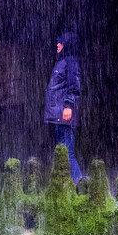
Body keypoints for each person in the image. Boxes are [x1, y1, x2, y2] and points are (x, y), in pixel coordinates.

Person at [44, 31, 83, 182]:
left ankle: (80, 185)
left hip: (63, 113)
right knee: (62, 151)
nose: (57, 44)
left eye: (60, 42)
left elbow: (74, 85)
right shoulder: (60, 62)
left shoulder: (70, 61)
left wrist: (68, 106)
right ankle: (69, 186)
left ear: (67, 44)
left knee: (68, 153)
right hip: (56, 114)